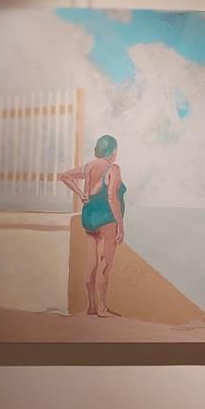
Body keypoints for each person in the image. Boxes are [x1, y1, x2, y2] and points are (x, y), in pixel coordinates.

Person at [58, 135, 127, 318]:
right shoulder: (113, 168)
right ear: (112, 151)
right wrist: (120, 225)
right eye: (116, 150)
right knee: (105, 263)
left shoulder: (88, 167)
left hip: (89, 217)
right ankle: (102, 308)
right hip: (106, 218)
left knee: (91, 263)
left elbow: (63, 176)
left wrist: (80, 194)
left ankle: (91, 306)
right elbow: (112, 198)